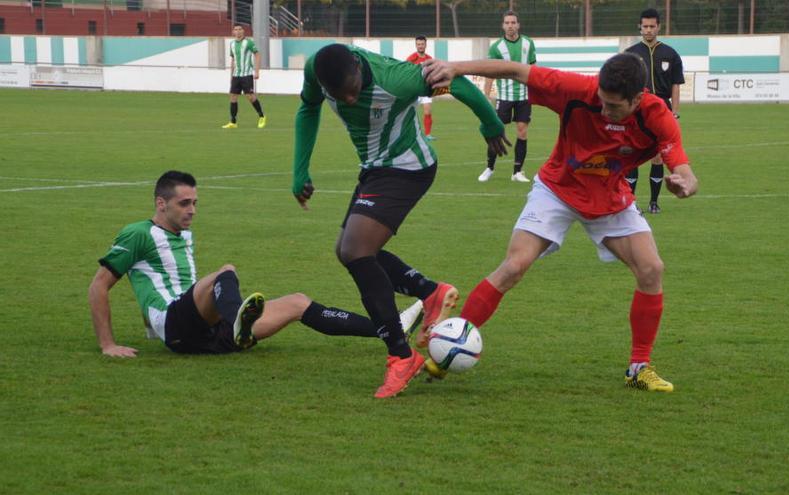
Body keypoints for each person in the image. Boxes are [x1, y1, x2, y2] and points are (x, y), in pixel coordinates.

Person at [422, 52, 698, 392]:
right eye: (602, 100)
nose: (604, 108)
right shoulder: (578, 89)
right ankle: (450, 347)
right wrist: (454, 69)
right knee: (514, 265)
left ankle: (639, 367)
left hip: (610, 196)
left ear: (638, 99)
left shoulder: (657, 116)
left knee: (652, 269)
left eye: (613, 106)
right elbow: (515, 69)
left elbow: (684, 170)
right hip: (557, 190)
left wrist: (683, 184)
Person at [292, 44, 509, 397]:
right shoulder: (317, 67)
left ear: (360, 73)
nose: (347, 100)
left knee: (356, 251)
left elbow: (458, 83)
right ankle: (429, 292)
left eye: (352, 91)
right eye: (339, 95)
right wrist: (299, 169)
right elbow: (308, 108)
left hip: (407, 168)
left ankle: (401, 356)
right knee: (348, 251)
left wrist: (490, 122)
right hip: (375, 169)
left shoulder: (397, 79)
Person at [88, 171, 425, 358]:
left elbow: (163, 281)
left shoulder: (182, 234)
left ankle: (390, 328)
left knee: (297, 302)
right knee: (226, 271)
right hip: (179, 328)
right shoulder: (137, 234)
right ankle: (239, 321)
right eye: (184, 203)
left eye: (195, 202)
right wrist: (108, 344)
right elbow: (100, 284)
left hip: (210, 333)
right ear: (161, 204)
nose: (192, 209)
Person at [624, 8, 684, 214]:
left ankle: (654, 202)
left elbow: (676, 84)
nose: (648, 30)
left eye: (652, 26)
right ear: (640, 27)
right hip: (636, 109)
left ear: (658, 27)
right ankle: (631, 203)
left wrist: (674, 113)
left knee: (657, 156)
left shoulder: (670, 53)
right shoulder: (631, 54)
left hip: (662, 110)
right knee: (632, 154)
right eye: (645, 26)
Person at [478, 10, 537, 183]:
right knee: (496, 131)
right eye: (507, 23)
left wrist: (537, 91)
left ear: (518, 25)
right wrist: (486, 97)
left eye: (513, 22)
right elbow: (490, 73)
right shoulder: (496, 47)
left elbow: (534, 69)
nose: (510, 25)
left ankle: (517, 172)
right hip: (504, 97)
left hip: (524, 96)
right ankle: (489, 167)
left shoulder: (528, 43)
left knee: (522, 131)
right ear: (503, 25)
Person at [222, 24, 266, 129]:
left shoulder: (248, 42)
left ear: (243, 31)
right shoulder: (232, 44)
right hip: (236, 75)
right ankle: (233, 122)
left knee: (250, 96)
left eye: (240, 29)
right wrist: (231, 75)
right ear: (233, 32)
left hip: (247, 74)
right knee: (233, 97)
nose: (238, 31)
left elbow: (257, 54)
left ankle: (262, 116)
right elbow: (233, 60)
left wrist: (257, 71)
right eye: (236, 29)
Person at [406, 36, 436, 140]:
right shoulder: (411, 58)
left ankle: (427, 135)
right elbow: (406, 72)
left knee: (427, 111)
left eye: (422, 44)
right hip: (414, 90)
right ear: (416, 45)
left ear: (425, 45)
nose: (420, 46)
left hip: (426, 89)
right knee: (410, 113)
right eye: (418, 44)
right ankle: (409, 134)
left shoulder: (429, 59)